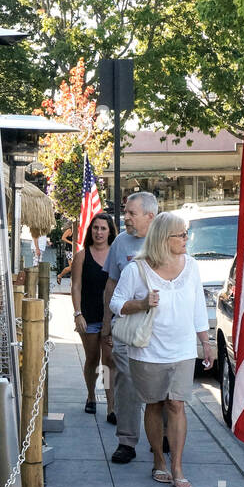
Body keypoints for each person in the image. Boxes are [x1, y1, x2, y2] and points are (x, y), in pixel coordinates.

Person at [109, 212, 213, 487]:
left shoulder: (191, 266)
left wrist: (205, 342)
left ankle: (177, 467)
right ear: (163, 239)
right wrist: (142, 303)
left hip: (182, 350)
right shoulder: (137, 269)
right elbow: (116, 304)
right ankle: (159, 460)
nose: (185, 239)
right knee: (154, 404)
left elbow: (198, 308)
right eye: (180, 235)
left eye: (185, 234)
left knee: (177, 405)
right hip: (148, 351)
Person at [100, 192, 159, 463]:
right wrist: (106, 325)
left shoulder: (165, 240)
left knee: (161, 385)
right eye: (125, 212)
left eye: (131, 213)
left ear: (150, 216)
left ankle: (163, 436)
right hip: (126, 325)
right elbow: (110, 286)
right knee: (127, 383)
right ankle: (126, 441)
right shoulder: (120, 243)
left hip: (159, 329)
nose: (125, 217)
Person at [70, 212, 117, 416]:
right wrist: (77, 313)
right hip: (88, 315)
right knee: (92, 359)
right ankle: (91, 395)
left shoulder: (115, 255)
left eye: (103, 228)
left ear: (110, 231)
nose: (99, 232)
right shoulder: (82, 255)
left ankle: (111, 406)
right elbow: (75, 286)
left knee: (109, 360)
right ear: (91, 230)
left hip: (110, 317)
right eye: (96, 228)